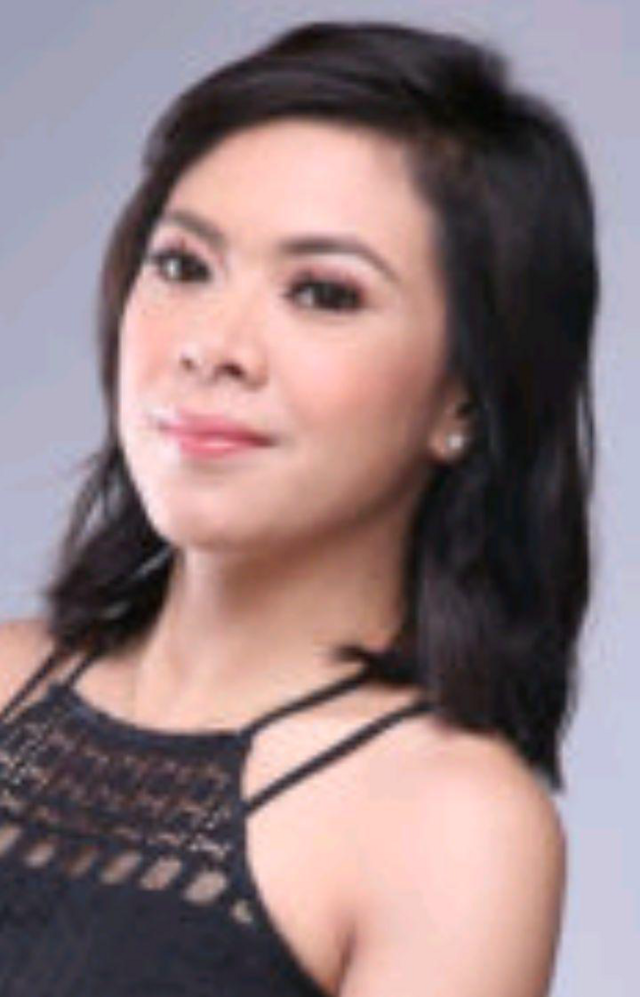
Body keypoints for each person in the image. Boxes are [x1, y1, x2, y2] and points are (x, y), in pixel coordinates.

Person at [0, 18, 598, 997]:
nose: (211, 345)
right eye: (183, 265)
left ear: (465, 397)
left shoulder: (446, 828)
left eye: (322, 293)